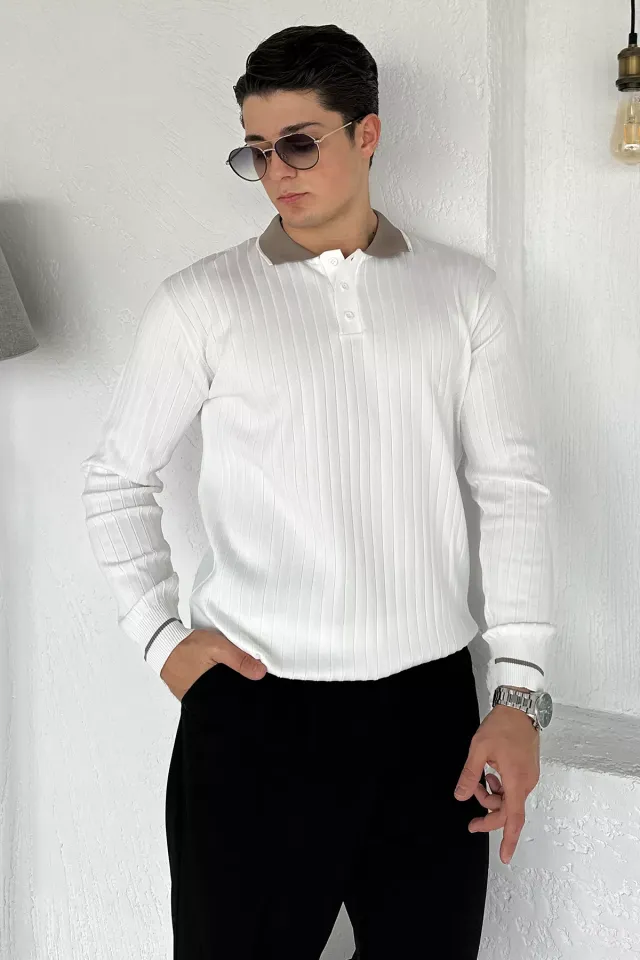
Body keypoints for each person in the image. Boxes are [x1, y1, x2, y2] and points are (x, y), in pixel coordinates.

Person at [80, 23, 556, 960]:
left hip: (428, 714)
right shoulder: (201, 302)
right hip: (255, 715)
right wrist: (161, 638)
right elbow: (117, 480)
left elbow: (512, 490)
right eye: (256, 151)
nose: (276, 172)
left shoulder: (461, 292)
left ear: (366, 134)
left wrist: (519, 694)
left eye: (298, 143)